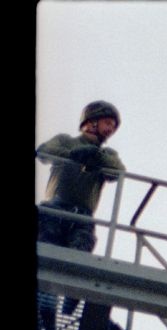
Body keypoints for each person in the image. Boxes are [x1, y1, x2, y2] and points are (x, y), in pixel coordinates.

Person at [37, 100, 125, 253]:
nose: (111, 129)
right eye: (108, 123)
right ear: (92, 122)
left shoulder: (107, 154)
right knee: (46, 252)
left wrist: (97, 156)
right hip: (54, 210)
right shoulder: (65, 141)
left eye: (113, 126)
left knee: (77, 258)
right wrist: (71, 155)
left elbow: (118, 171)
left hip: (83, 218)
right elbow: (44, 151)